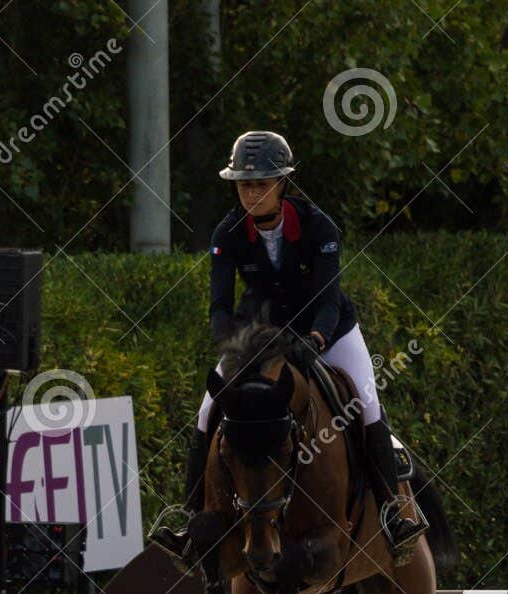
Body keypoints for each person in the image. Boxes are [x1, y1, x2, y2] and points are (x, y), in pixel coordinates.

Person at [152, 130, 423, 566]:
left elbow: (328, 299)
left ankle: (393, 511)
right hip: (260, 335)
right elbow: (220, 307)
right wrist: (234, 347)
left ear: (283, 185)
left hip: (326, 329)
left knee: (367, 402)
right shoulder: (227, 233)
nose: (251, 193)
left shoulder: (319, 227)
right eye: (244, 184)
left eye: (260, 184)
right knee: (207, 411)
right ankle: (188, 519)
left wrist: (315, 340)